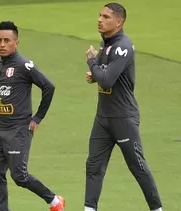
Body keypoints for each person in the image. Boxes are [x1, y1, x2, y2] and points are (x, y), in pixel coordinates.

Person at [84, 3, 163, 211]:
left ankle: (157, 209)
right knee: (93, 166)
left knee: (138, 167)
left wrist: (92, 62)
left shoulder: (123, 46)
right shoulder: (106, 44)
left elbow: (107, 80)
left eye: (106, 17)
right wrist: (96, 75)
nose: (100, 20)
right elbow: (104, 75)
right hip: (103, 118)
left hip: (123, 118)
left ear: (119, 22)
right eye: (99, 15)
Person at [0, 21, 65, 211]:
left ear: (16, 43)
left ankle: (54, 201)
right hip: (0, 130)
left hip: (19, 130)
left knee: (19, 176)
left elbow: (49, 87)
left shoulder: (24, 66)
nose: (2, 44)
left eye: (7, 40)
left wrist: (38, 117)